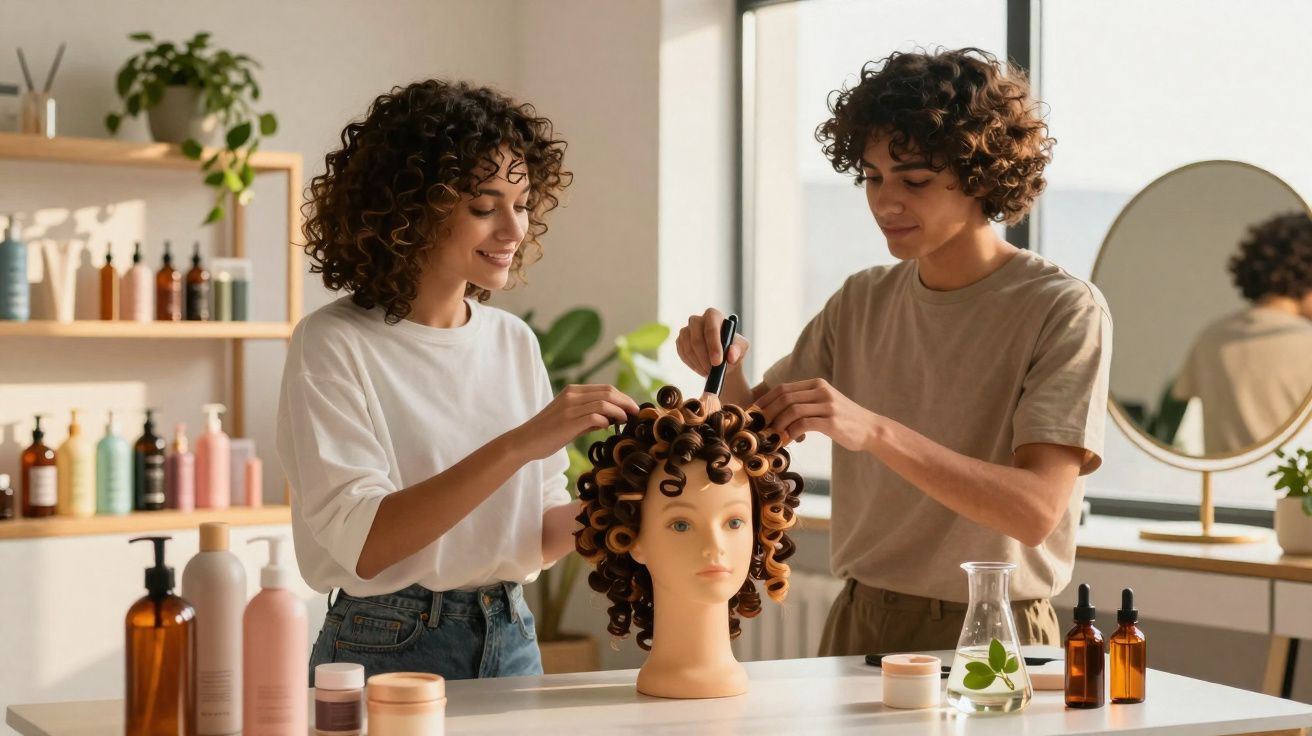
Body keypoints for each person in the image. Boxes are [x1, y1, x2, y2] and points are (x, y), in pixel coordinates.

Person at [676, 48, 1112, 655]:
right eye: (873, 178)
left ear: (982, 177)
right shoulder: (862, 299)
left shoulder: (1062, 309)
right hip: (859, 619)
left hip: (991, 631)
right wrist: (727, 366)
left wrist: (875, 431)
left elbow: (1034, 510)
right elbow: (759, 435)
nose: (886, 203)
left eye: (914, 181)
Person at [279, 79, 638, 681]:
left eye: (521, 205)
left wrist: (635, 503)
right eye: (483, 207)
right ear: (409, 209)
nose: (514, 229)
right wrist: (521, 442)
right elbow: (367, 544)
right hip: (386, 645)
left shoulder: (511, 341)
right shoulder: (333, 343)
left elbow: (540, 531)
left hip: (512, 635)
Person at [1174, 212, 1312, 453]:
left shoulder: (1212, 337)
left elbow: (1184, 399)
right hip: (1293, 489)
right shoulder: (1305, 341)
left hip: (1221, 486)